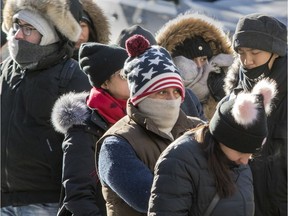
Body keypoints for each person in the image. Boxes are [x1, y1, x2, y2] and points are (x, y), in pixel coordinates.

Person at [96, 35, 204, 216]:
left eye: (176, 91)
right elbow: (152, 199)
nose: (171, 99)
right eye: (162, 92)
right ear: (141, 96)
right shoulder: (116, 144)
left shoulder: (199, 130)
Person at [1, 0, 91, 215]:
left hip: (46, 202)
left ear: (51, 33)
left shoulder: (72, 75)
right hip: (3, 200)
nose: (17, 35)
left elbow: (83, 149)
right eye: (17, 26)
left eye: (29, 28)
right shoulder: (4, 72)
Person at [148, 78, 277, 216]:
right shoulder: (179, 160)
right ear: (224, 138)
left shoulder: (238, 163)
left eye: (250, 155)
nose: (245, 161)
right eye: (241, 152)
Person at [51, 42, 129, 216]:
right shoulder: (84, 129)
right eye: (124, 74)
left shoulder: (136, 116)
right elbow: (78, 195)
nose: (131, 79)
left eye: (133, 72)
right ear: (105, 82)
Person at [223, 13, 287, 216]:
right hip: (241, 202)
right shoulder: (235, 91)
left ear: (275, 52)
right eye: (241, 52)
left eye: (255, 52)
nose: (246, 60)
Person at [116, 24, 206, 120]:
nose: (172, 99)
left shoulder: (188, 99)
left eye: (176, 91)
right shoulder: (117, 113)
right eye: (123, 75)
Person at [155, 12, 234, 120]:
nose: (198, 65)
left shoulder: (220, 90)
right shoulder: (162, 100)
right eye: (192, 61)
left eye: (203, 59)